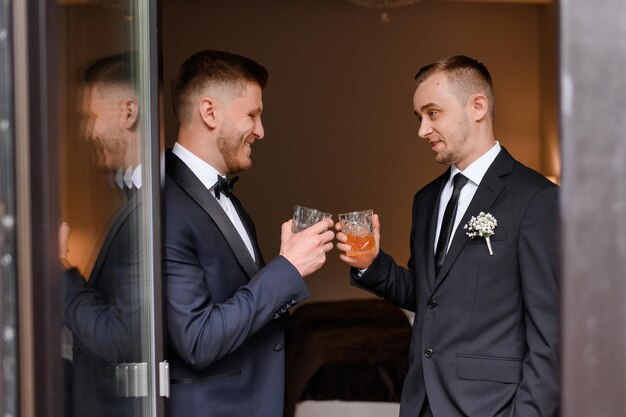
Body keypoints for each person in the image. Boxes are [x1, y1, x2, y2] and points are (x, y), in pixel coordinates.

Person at [336, 55, 559, 417]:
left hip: (493, 407)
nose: (422, 130)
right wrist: (373, 265)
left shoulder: (536, 199)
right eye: (419, 117)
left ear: (478, 106)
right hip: (422, 401)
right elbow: (430, 297)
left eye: (433, 113)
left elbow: (551, 335)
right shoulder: (425, 200)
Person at [164, 49, 334, 417]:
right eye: (253, 115)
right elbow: (197, 340)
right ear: (209, 112)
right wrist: (287, 268)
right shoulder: (165, 203)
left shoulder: (229, 201)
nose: (261, 130)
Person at [59, 52, 143, 417]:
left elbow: (121, 339)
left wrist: (59, 269)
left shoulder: (155, 210)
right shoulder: (134, 198)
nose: (87, 131)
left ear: (128, 112)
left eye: (91, 117)